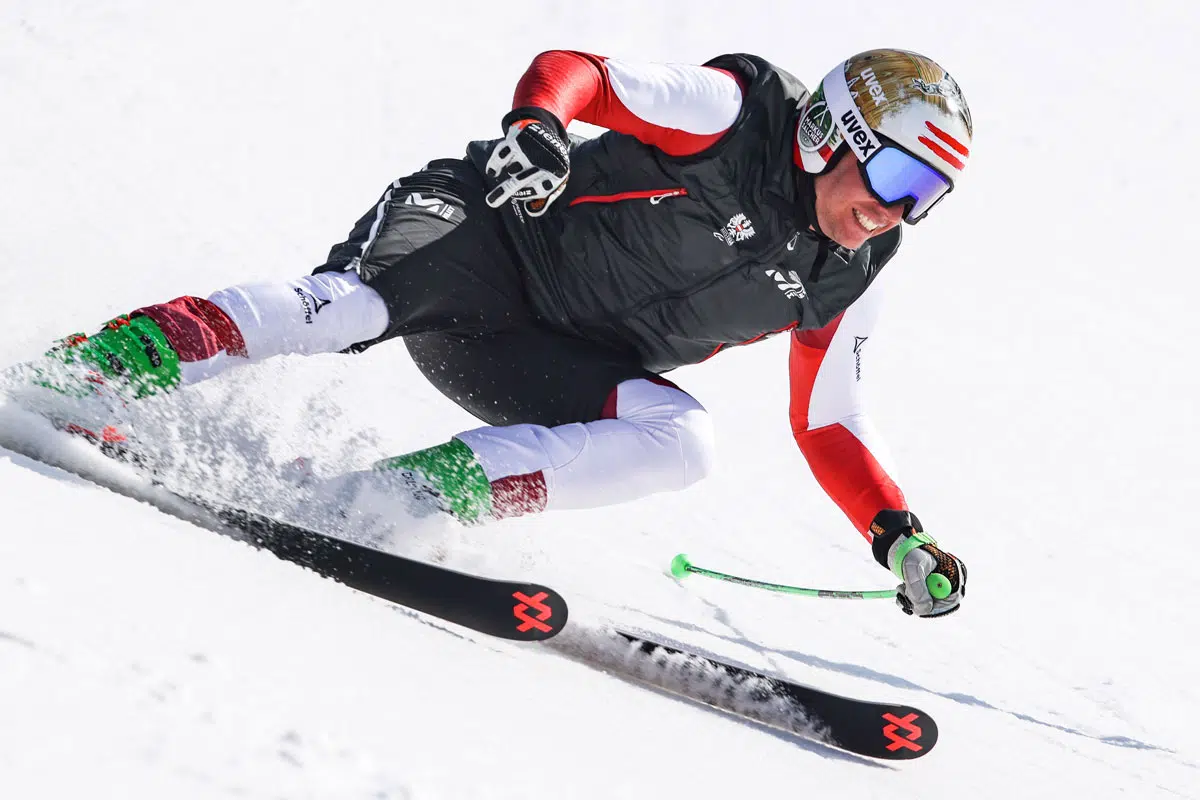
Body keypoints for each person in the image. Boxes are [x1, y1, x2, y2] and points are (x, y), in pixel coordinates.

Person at [12, 48, 970, 617]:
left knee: (684, 444)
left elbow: (830, 421)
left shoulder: (849, 269)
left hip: (538, 359)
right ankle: (86, 372)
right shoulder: (739, 112)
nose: (896, 212)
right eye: (894, 178)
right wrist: (540, 126)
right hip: (482, 235)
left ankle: (379, 505)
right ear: (829, 134)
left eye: (924, 198)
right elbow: (581, 74)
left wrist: (898, 537)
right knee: (346, 306)